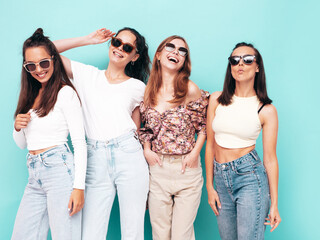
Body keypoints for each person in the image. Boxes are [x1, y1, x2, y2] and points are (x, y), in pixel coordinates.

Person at [53, 27, 150, 240]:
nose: (119, 49)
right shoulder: (86, 74)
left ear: (135, 56)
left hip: (129, 156)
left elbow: (140, 127)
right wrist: (87, 39)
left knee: (133, 233)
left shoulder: (138, 87)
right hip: (94, 159)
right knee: (90, 235)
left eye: (127, 47)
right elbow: (45, 51)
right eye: (117, 42)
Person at [11, 28, 87, 240]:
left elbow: (80, 143)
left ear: (54, 60)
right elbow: (21, 144)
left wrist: (78, 187)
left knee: (65, 236)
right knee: (22, 235)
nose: (39, 70)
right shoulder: (29, 96)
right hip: (34, 173)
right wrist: (17, 127)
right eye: (31, 65)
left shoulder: (65, 93)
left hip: (60, 171)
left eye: (44, 63)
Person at [205, 42, 281, 240]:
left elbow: (270, 159)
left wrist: (274, 204)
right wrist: (209, 186)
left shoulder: (266, 110)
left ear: (257, 67)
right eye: (234, 60)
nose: (240, 64)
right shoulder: (216, 99)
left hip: (250, 177)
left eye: (247, 60)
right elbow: (210, 144)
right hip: (220, 178)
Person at [139, 35, 209, 240]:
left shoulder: (189, 88)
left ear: (184, 62)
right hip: (158, 170)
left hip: (186, 169)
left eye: (182, 50)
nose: (176, 52)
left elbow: (204, 126)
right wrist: (146, 149)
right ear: (159, 55)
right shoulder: (148, 91)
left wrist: (195, 154)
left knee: (181, 235)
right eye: (171, 47)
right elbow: (146, 128)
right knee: (160, 234)